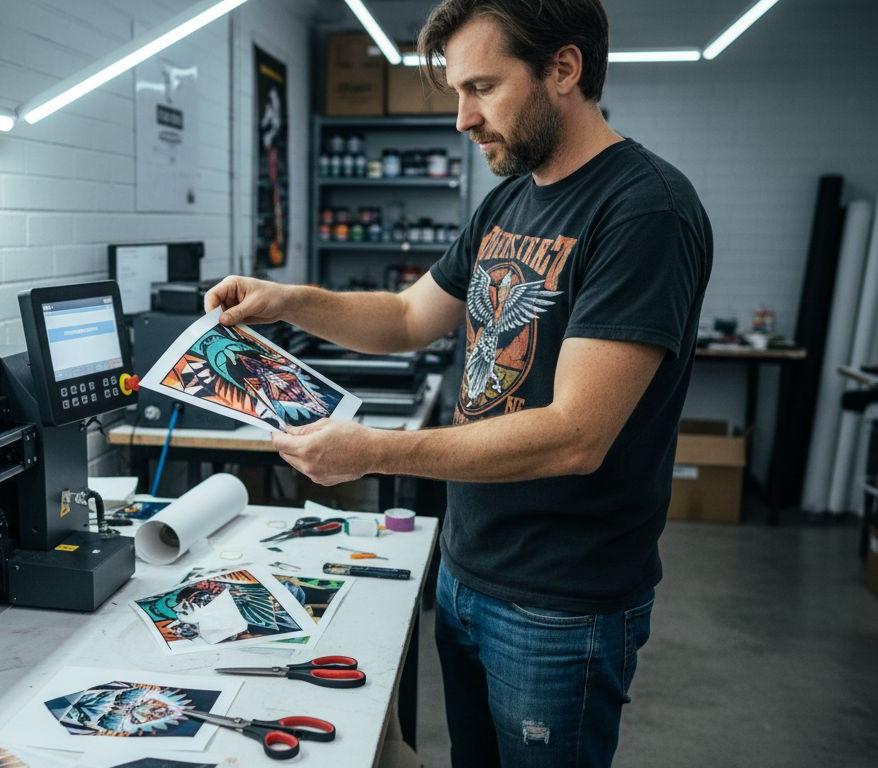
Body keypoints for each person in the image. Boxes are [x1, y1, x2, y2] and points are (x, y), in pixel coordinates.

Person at [205, 0, 711, 764]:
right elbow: (411, 316)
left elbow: (577, 435)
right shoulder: (511, 199)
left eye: (482, 88)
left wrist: (374, 451)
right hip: (469, 566)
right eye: (456, 93)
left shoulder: (643, 211)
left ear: (563, 69)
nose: (463, 120)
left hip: (559, 599)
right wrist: (288, 301)